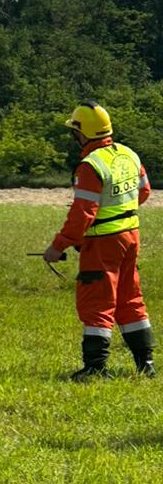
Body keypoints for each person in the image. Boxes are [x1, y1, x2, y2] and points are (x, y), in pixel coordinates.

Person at [42, 103, 153, 379]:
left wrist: (58, 246)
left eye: (74, 132)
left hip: (103, 243)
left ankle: (95, 368)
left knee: (97, 301)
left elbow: (83, 214)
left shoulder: (90, 166)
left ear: (82, 133)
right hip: (131, 235)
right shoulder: (128, 154)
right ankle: (146, 364)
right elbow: (144, 192)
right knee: (130, 299)